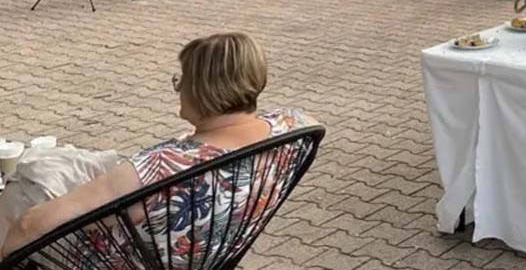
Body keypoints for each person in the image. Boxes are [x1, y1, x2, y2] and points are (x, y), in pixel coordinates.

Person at [0, 33, 313, 263]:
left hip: (123, 257)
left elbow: (31, 226)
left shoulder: (160, 167)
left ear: (201, 92)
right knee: (66, 165)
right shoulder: (293, 127)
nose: (179, 90)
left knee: (21, 198)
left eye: (182, 82)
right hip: (210, 250)